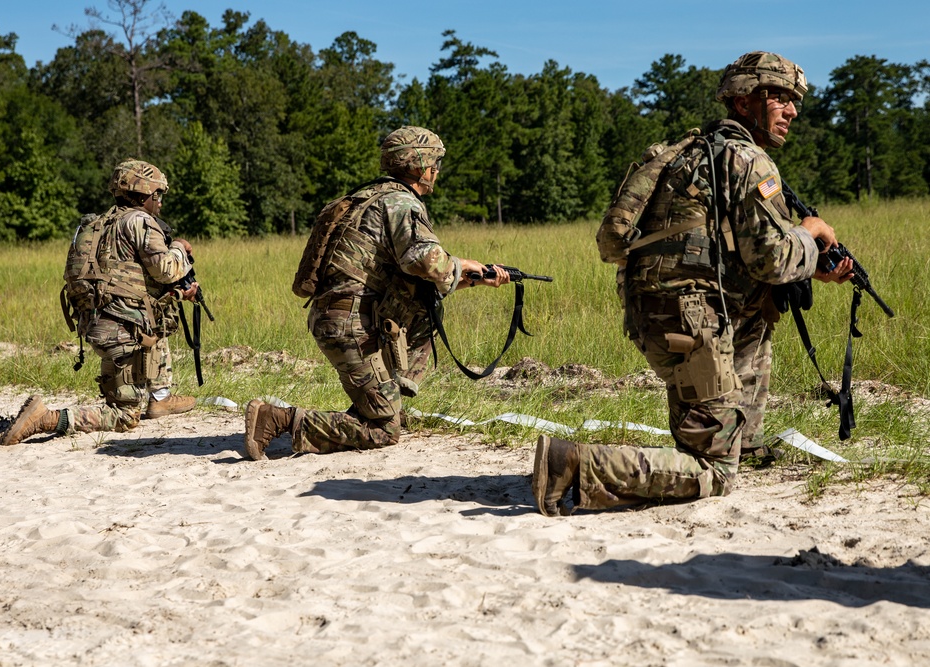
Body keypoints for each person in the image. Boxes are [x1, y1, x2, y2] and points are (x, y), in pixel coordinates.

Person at [534, 51, 855, 516]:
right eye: (781, 98)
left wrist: (810, 266)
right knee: (713, 473)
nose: (793, 111)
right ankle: (574, 464)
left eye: (795, 100)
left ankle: (741, 441)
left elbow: (736, 257)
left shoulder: (698, 152)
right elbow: (771, 257)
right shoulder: (747, 160)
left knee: (757, 321)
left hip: (667, 312)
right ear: (745, 102)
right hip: (691, 322)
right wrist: (813, 233)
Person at [244, 126, 510, 459]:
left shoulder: (366, 197)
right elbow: (424, 260)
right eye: (435, 163)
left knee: (424, 310)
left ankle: (384, 399)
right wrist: (462, 264)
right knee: (385, 430)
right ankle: (279, 419)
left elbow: (413, 277)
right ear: (418, 164)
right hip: (352, 328)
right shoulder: (400, 202)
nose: (437, 171)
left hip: (342, 320)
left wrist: (474, 277)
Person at [0, 159, 199, 446]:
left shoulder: (95, 224)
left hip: (97, 324)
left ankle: (160, 398)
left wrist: (176, 292)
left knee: (158, 314)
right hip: (123, 332)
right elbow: (166, 269)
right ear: (146, 195)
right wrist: (180, 248)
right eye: (159, 195)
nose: (161, 202)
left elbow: (130, 280)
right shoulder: (140, 222)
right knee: (124, 415)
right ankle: (46, 418)